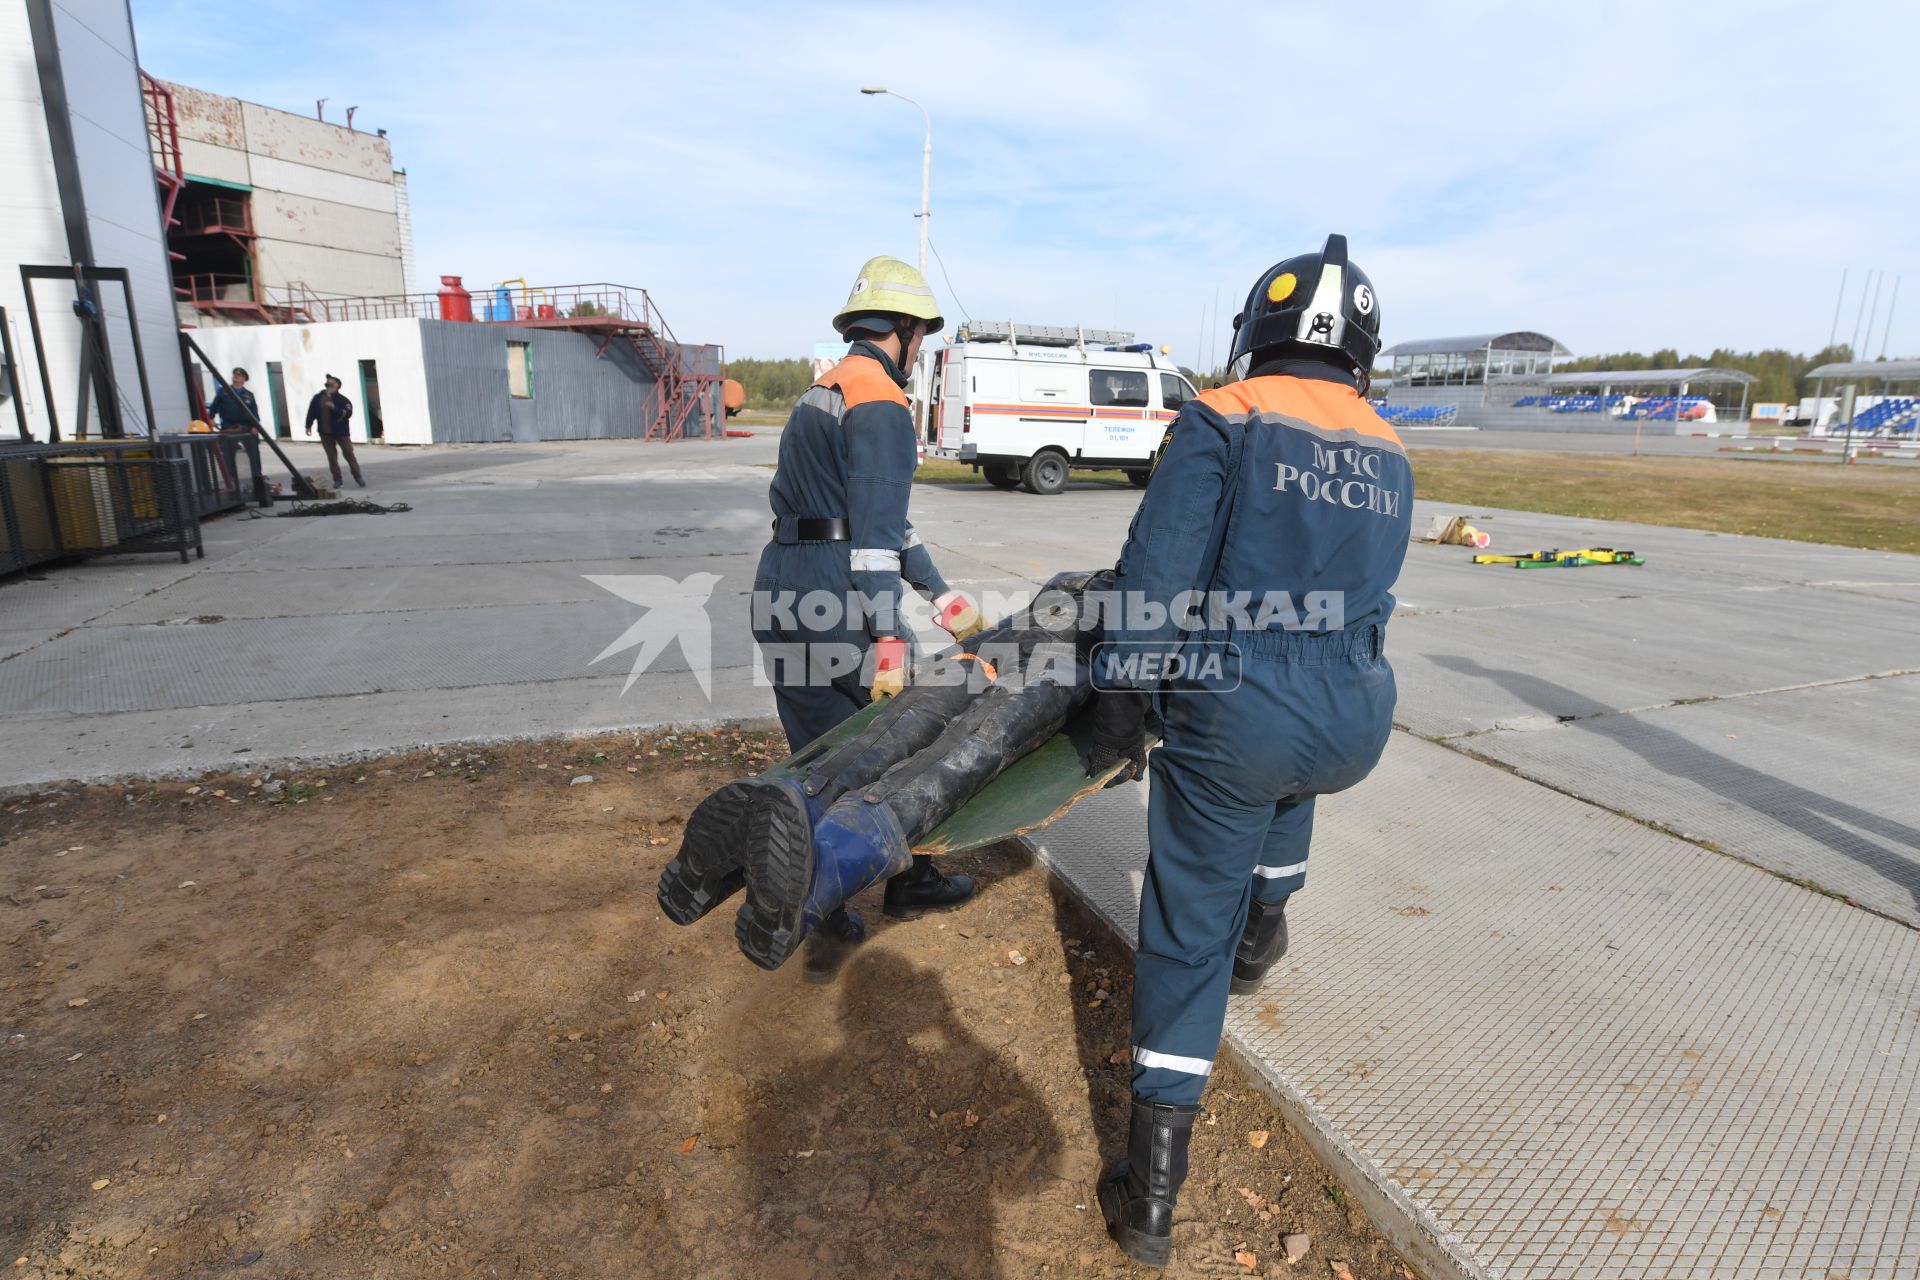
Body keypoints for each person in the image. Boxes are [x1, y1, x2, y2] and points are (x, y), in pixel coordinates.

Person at [1085, 234, 1412, 1267]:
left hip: (1238, 704)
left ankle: (1151, 1188)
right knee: (1292, 767)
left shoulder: (1224, 416)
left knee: (1187, 925)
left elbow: (1155, 577)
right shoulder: (1391, 446)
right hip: (1353, 707)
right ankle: (1268, 927)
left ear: (1258, 332)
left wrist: (1119, 697)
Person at [747, 255, 986, 979]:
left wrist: (941, 597)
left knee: (818, 754)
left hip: (782, 584)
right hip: (838, 596)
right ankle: (909, 881)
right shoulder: (881, 401)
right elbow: (875, 545)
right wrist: (889, 632)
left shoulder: (824, 389)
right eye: (924, 339)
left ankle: (810, 910)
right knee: (900, 742)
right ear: (907, 331)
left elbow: (877, 522)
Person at [304, 374, 363, 488]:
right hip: (325, 432)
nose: (328, 381)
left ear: (337, 385)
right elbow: (311, 411)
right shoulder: (318, 398)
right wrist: (308, 425)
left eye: (331, 380)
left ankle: (358, 476)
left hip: (341, 432)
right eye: (328, 379)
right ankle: (337, 479)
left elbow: (347, 414)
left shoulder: (342, 400)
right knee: (331, 457)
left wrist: (334, 408)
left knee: (348, 454)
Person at [207, 368, 260, 489]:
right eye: (235, 375)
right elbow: (214, 407)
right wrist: (211, 418)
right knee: (228, 454)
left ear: (244, 379)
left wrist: (255, 426)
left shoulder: (249, 395)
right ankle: (230, 480)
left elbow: (254, 412)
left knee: (254, 454)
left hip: (246, 427)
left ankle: (257, 478)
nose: (236, 376)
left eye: (239, 375)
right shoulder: (224, 392)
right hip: (229, 427)